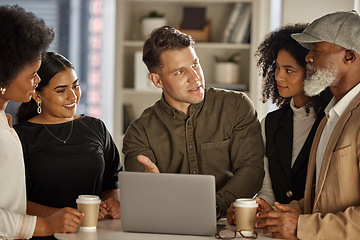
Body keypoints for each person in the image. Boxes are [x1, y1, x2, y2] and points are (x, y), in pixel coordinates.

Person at [122, 26, 265, 218]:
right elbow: (142, 194)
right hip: (168, 224)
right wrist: (148, 188)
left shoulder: (237, 106)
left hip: (229, 224)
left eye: (195, 64)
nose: (195, 77)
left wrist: (212, 207)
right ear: (157, 81)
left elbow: (252, 170)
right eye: (180, 71)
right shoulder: (140, 132)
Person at [254, 10, 360, 239]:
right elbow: (324, 198)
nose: (309, 57)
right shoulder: (332, 116)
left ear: (349, 57)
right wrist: (281, 214)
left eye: (317, 50)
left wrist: (301, 227)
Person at [14, 52, 122, 240]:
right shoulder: (20, 136)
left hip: (94, 235)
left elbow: (111, 182)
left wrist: (112, 202)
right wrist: (60, 216)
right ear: (37, 95)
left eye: (76, 85)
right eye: (61, 90)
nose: (73, 96)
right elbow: (14, 201)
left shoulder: (96, 128)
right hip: (41, 234)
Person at [0, 5, 85, 239]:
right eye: (31, 75)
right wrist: (45, 225)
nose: (37, 81)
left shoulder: (5, 124)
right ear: (4, 77)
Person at [255, 24, 332, 205]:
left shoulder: (331, 121)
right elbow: (267, 190)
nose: (279, 77)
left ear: (312, 72)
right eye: (278, 68)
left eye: (289, 70)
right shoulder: (270, 123)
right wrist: (260, 206)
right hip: (276, 229)